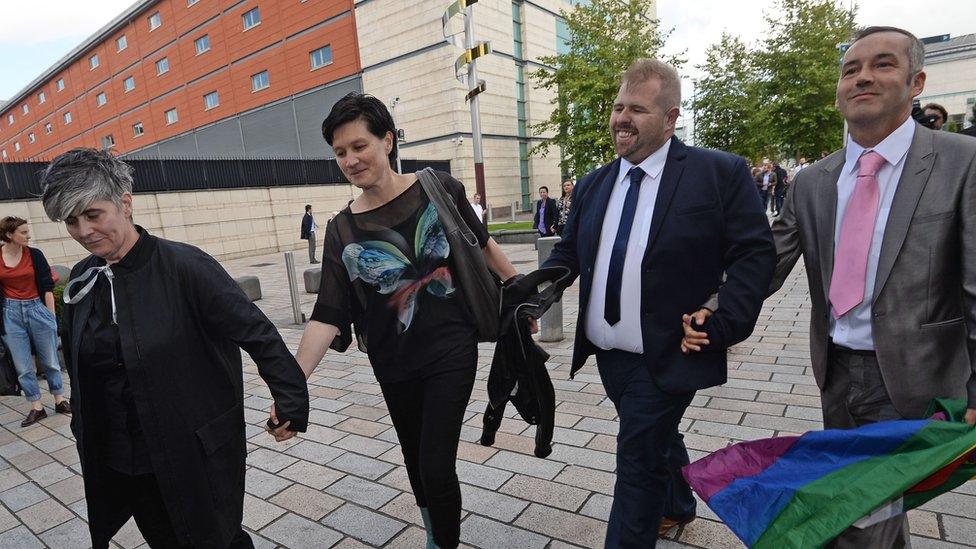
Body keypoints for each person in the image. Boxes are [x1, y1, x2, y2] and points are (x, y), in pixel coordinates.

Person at [683, 26, 976, 548]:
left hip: (916, 377)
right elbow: (765, 263)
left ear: (917, 82)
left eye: (882, 65)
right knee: (861, 507)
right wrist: (712, 307)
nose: (862, 76)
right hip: (837, 371)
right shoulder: (814, 181)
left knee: (863, 518)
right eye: (850, 70)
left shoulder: (962, 161)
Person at [542, 58, 775, 548]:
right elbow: (567, 255)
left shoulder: (719, 173)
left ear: (671, 118)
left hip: (671, 348)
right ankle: (679, 503)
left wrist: (724, 319)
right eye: (617, 107)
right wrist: (526, 296)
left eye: (637, 109)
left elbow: (754, 254)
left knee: (636, 463)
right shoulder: (593, 183)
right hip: (608, 354)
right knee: (654, 437)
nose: (621, 118)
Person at [40, 148, 309, 549]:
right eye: (71, 221)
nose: (83, 231)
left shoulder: (185, 266)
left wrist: (289, 399)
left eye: (92, 215)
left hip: (191, 450)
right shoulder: (82, 278)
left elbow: (258, 333)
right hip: (124, 456)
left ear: (125, 203)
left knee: (216, 538)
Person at [293, 92, 525, 549]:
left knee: (436, 463)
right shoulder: (342, 229)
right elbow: (328, 313)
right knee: (416, 458)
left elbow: (482, 245)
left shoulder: (439, 187)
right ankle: (434, 531)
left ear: (388, 141)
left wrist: (521, 295)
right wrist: (292, 380)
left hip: (450, 349)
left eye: (359, 146)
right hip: (391, 360)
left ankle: (443, 544)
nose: (350, 160)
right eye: (340, 152)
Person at [0, 217, 69, 427]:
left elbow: (47, 287)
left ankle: (60, 399)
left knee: (50, 360)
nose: (28, 235)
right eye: (23, 232)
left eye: (28, 231)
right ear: (9, 235)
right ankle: (36, 407)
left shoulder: (35, 255)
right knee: (23, 365)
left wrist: (50, 317)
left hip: (37, 309)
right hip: (9, 313)